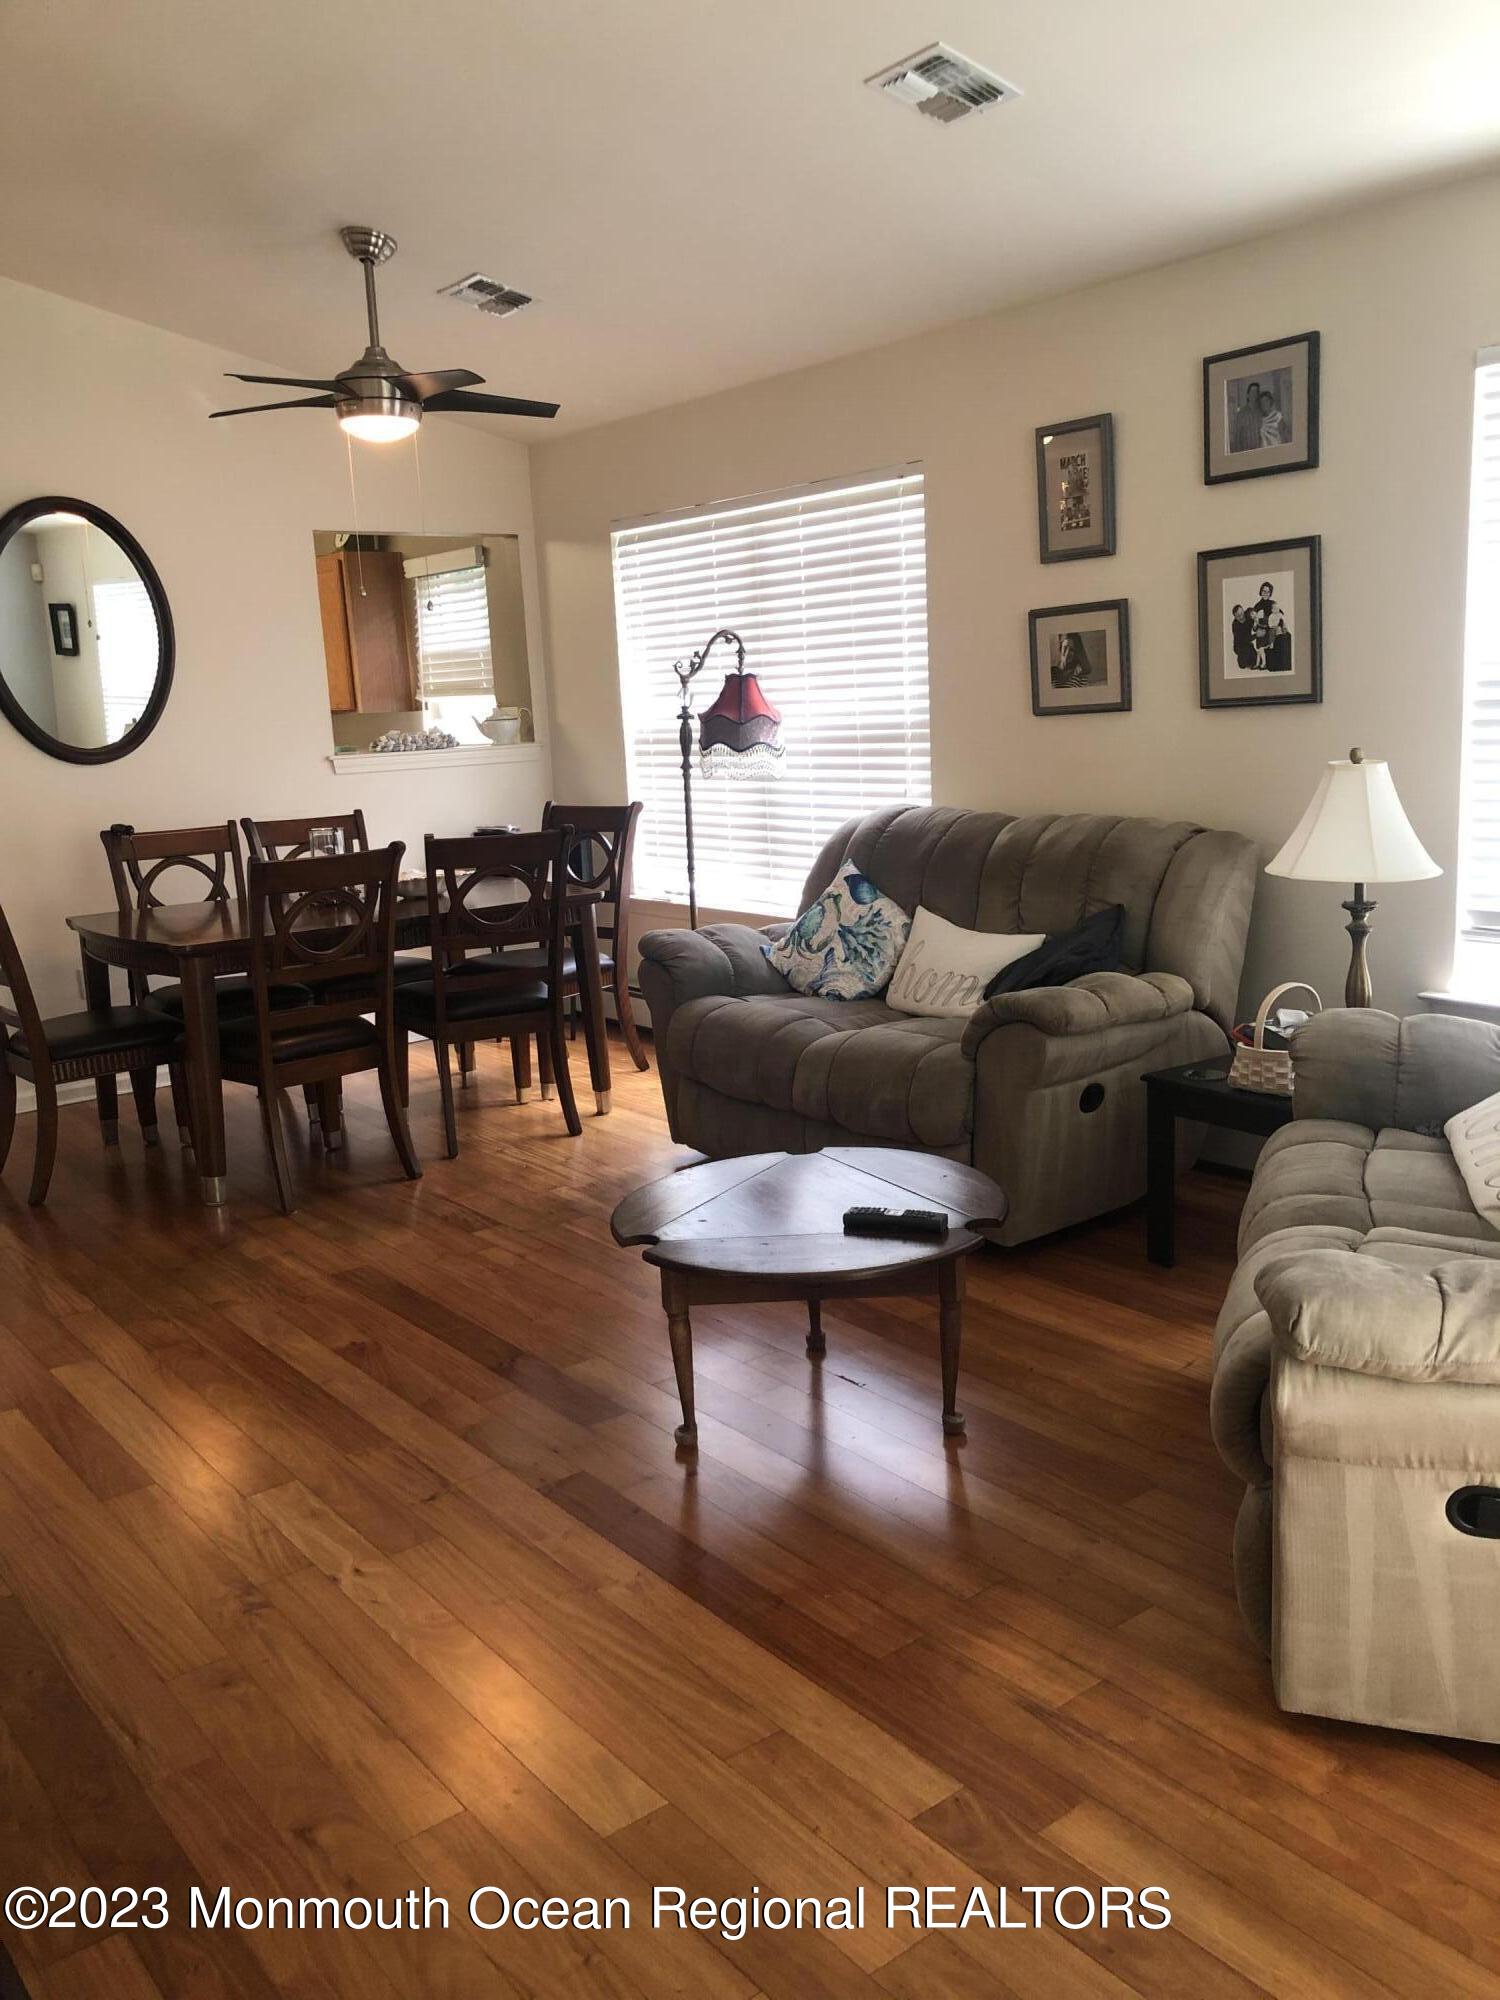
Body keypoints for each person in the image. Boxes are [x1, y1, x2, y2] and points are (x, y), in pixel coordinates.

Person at [1230, 381, 1261, 454]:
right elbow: (1237, 438)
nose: (1254, 394)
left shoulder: (1261, 412)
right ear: (1247, 395)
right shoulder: (1241, 414)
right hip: (1247, 453)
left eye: (1256, 392)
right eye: (1252, 392)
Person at [1230, 604, 1258, 669]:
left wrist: (1254, 615)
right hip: (1240, 646)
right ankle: (1241, 659)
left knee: (1255, 660)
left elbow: (1252, 610)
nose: (1241, 617)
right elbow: (1244, 639)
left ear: (1243, 611)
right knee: (1243, 665)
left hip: (1248, 644)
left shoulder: (1248, 614)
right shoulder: (1235, 625)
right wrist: (1256, 635)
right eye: (1238, 616)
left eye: (1242, 613)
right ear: (1235, 617)